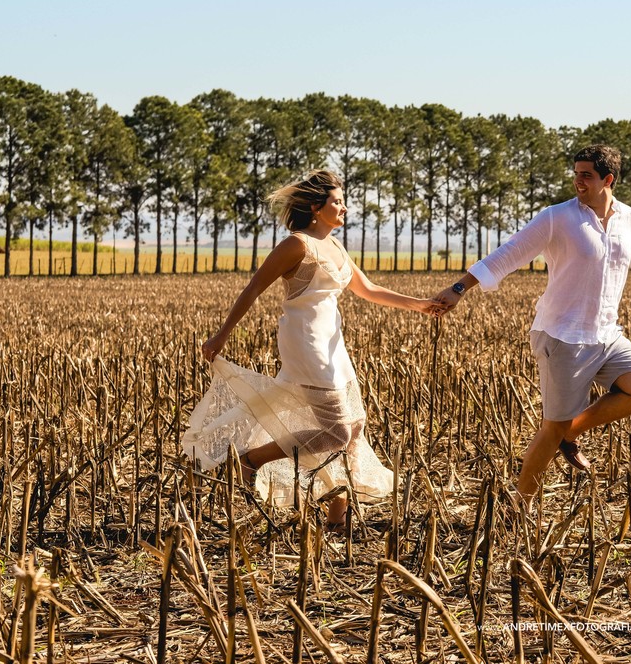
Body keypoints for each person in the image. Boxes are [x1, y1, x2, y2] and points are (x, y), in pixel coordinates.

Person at [184, 170, 442, 525]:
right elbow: (254, 288)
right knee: (336, 429)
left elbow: (368, 289)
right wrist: (222, 334)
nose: (345, 208)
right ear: (316, 208)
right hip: (306, 341)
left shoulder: (335, 246)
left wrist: (421, 304)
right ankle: (252, 460)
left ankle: (338, 506)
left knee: (353, 425)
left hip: (332, 342)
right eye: (338, 201)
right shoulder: (297, 244)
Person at [435, 144, 631, 506]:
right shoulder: (557, 217)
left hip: (607, 333)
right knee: (551, 428)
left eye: (586, 175)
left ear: (608, 179)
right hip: (562, 336)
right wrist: (460, 287)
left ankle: (571, 432)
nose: (578, 181)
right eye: (576, 173)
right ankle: (519, 507)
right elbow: (509, 253)